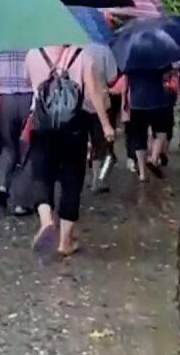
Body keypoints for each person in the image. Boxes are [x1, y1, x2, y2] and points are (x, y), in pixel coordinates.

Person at [25, 44, 114, 257]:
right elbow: (93, 93)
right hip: (74, 126)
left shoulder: (33, 54)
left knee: (41, 174)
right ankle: (65, 242)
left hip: (42, 124)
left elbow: (31, 84)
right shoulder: (82, 56)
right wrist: (105, 125)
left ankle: (46, 221)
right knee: (72, 180)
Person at [0, 49, 33, 213]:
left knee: (8, 147)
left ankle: (2, 187)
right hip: (28, 97)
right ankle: (21, 202)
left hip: (5, 99)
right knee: (26, 151)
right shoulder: (32, 47)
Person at [82, 41, 120, 192]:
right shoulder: (104, 50)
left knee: (82, 141)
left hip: (77, 104)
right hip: (102, 102)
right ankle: (97, 179)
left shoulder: (75, 49)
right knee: (101, 143)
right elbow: (112, 78)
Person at [126, 65, 175, 181]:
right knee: (161, 131)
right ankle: (153, 158)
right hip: (158, 101)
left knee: (139, 136)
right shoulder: (160, 60)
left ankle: (142, 173)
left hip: (136, 102)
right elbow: (168, 76)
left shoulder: (131, 61)